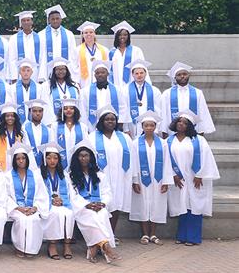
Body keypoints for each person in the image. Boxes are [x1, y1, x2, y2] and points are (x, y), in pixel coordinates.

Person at [167, 112, 220, 246]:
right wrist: (173, 175)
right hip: (178, 179)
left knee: (195, 207)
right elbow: (165, 161)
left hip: (195, 178)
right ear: (175, 123)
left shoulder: (199, 140)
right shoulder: (168, 140)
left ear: (190, 126)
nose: (181, 124)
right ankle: (181, 236)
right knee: (182, 206)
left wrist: (199, 175)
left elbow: (206, 158)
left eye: (185, 123)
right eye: (179, 121)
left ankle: (193, 238)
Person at [68, 143, 120, 264]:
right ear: (76, 158)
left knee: (101, 214)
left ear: (91, 157)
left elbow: (107, 193)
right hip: (82, 208)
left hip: (98, 206)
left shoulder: (100, 175)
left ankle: (94, 247)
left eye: (86, 156)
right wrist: (87, 205)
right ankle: (106, 247)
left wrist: (102, 203)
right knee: (91, 215)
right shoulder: (71, 176)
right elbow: (73, 195)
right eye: (80, 156)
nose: (83, 158)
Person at [129, 111, 173, 245]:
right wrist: (135, 181)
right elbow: (133, 162)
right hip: (142, 179)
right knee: (142, 204)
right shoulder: (135, 143)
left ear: (155, 127)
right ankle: (144, 234)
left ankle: (153, 234)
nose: (149, 128)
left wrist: (166, 181)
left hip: (158, 179)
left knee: (156, 205)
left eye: (151, 125)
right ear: (142, 127)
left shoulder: (163, 143)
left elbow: (167, 162)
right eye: (146, 125)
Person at [93, 105, 133, 236]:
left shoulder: (124, 138)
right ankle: (101, 236)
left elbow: (133, 159)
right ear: (101, 121)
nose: (110, 121)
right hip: (101, 178)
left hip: (120, 177)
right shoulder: (92, 137)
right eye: (107, 119)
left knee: (115, 205)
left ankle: (111, 234)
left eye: (113, 119)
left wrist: (135, 179)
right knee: (102, 205)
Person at [7, 144, 49, 258]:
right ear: (14, 161)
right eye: (18, 159)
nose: (21, 161)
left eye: (23, 158)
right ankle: (20, 247)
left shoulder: (36, 175)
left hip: (32, 208)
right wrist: (19, 208)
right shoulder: (8, 176)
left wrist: (35, 207)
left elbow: (42, 194)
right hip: (16, 208)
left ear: (27, 159)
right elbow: (6, 196)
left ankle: (31, 249)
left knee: (34, 219)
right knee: (22, 220)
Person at [39, 144, 75, 260]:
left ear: (59, 159)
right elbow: (38, 192)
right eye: (49, 158)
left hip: (63, 202)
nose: (52, 161)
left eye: (55, 158)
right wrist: (51, 200)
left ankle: (67, 245)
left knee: (69, 214)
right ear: (45, 159)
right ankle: (52, 244)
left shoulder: (64, 174)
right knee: (54, 213)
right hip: (47, 203)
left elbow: (70, 192)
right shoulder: (39, 174)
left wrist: (62, 200)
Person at [162, 62, 215, 135]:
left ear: (189, 75)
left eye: (184, 74)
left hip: (193, 130)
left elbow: (203, 112)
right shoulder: (167, 94)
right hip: (173, 132)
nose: (182, 76)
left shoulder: (197, 93)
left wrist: (201, 130)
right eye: (179, 75)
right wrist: (164, 130)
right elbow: (164, 114)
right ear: (175, 77)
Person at [39, 5, 77, 83]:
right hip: (47, 70)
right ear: (49, 20)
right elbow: (40, 55)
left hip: (64, 70)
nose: (55, 21)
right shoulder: (41, 35)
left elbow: (73, 55)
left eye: (57, 18)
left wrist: (74, 73)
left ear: (61, 19)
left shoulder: (69, 34)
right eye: (52, 19)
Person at [82, 60, 125, 128]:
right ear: (94, 75)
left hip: (112, 124)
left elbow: (122, 107)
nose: (100, 75)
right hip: (92, 125)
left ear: (108, 74)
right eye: (97, 73)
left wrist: (120, 123)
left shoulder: (117, 90)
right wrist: (85, 126)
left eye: (103, 72)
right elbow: (83, 110)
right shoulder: (85, 91)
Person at [125, 59, 162, 136]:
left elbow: (159, 110)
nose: (139, 75)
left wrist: (157, 128)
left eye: (141, 73)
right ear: (133, 75)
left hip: (150, 127)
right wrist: (126, 129)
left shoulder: (155, 90)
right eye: (136, 73)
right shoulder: (125, 90)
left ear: (145, 74)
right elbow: (124, 109)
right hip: (132, 126)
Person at [110, 21, 148, 91]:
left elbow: (142, 68)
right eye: (120, 35)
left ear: (128, 36)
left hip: (132, 84)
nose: (122, 37)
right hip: (116, 85)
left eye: (125, 35)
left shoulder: (136, 50)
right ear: (116, 36)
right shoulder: (112, 52)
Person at [8, 59, 48, 123]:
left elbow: (43, 106)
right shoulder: (12, 88)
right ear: (19, 72)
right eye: (23, 70)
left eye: (28, 70)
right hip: (17, 123)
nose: (26, 73)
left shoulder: (39, 88)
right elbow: (11, 106)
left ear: (32, 72)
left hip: (35, 122)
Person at [7, 11, 41, 83]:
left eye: (28, 20)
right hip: (19, 73)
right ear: (20, 23)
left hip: (35, 73)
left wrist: (41, 76)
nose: (26, 22)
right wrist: (14, 77)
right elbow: (12, 59)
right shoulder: (14, 38)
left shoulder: (39, 37)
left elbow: (42, 58)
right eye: (23, 21)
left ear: (32, 22)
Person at [55, 98, 87, 169]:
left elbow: (85, 145)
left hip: (78, 161)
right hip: (61, 160)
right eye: (65, 108)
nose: (68, 110)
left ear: (75, 110)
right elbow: (53, 143)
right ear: (62, 111)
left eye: (71, 108)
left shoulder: (83, 127)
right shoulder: (55, 126)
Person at [74, 22, 108, 89]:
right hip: (84, 83)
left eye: (91, 32)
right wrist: (76, 83)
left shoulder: (104, 50)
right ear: (83, 35)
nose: (88, 34)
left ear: (94, 34)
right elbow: (74, 68)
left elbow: (107, 68)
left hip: (101, 82)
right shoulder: (77, 50)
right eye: (86, 33)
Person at [0, 103, 23, 171]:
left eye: (12, 116)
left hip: (17, 166)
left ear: (15, 118)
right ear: (3, 118)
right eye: (7, 116)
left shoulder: (21, 133)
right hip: (1, 168)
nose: (10, 118)